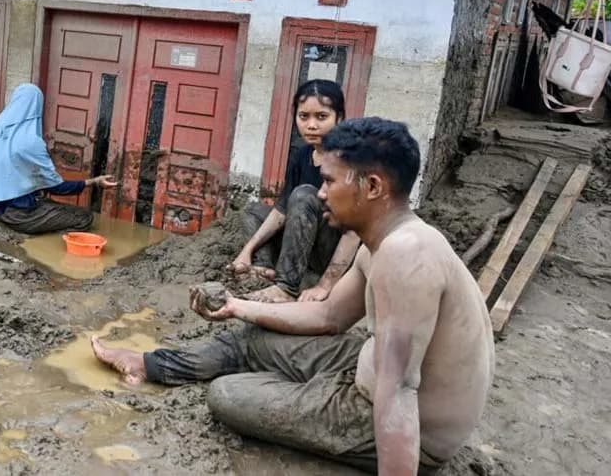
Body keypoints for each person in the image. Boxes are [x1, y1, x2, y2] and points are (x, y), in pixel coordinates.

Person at [92, 118, 495, 474]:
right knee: (250, 335)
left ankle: (283, 388)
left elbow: (401, 390)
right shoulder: (383, 243)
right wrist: (238, 306)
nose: (321, 193)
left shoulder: (406, 255)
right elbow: (329, 316)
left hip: (409, 427)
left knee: (228, 394)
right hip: (367, 368)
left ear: (372, 186)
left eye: (331, 181)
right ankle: (148, 364)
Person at [230, 79, 361, 303]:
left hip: (332, 248)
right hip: (301, 241)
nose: (311, 125)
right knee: (254, 211)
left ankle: (287, 288)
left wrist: (326, 285)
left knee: (303, 195)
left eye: (321, 117)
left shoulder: (350, 158)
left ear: (339, 118)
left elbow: (354, 231)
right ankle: (264, 268)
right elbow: (281, 211)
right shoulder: (302, 155)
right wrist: (247, 251)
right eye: (304, 117)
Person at [0, 84, 117, 234]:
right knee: (84, 218)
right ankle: (42, 242)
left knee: (45, 201)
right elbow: (56, 187)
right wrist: (94, 182)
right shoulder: (30, 142)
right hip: (15, 215)